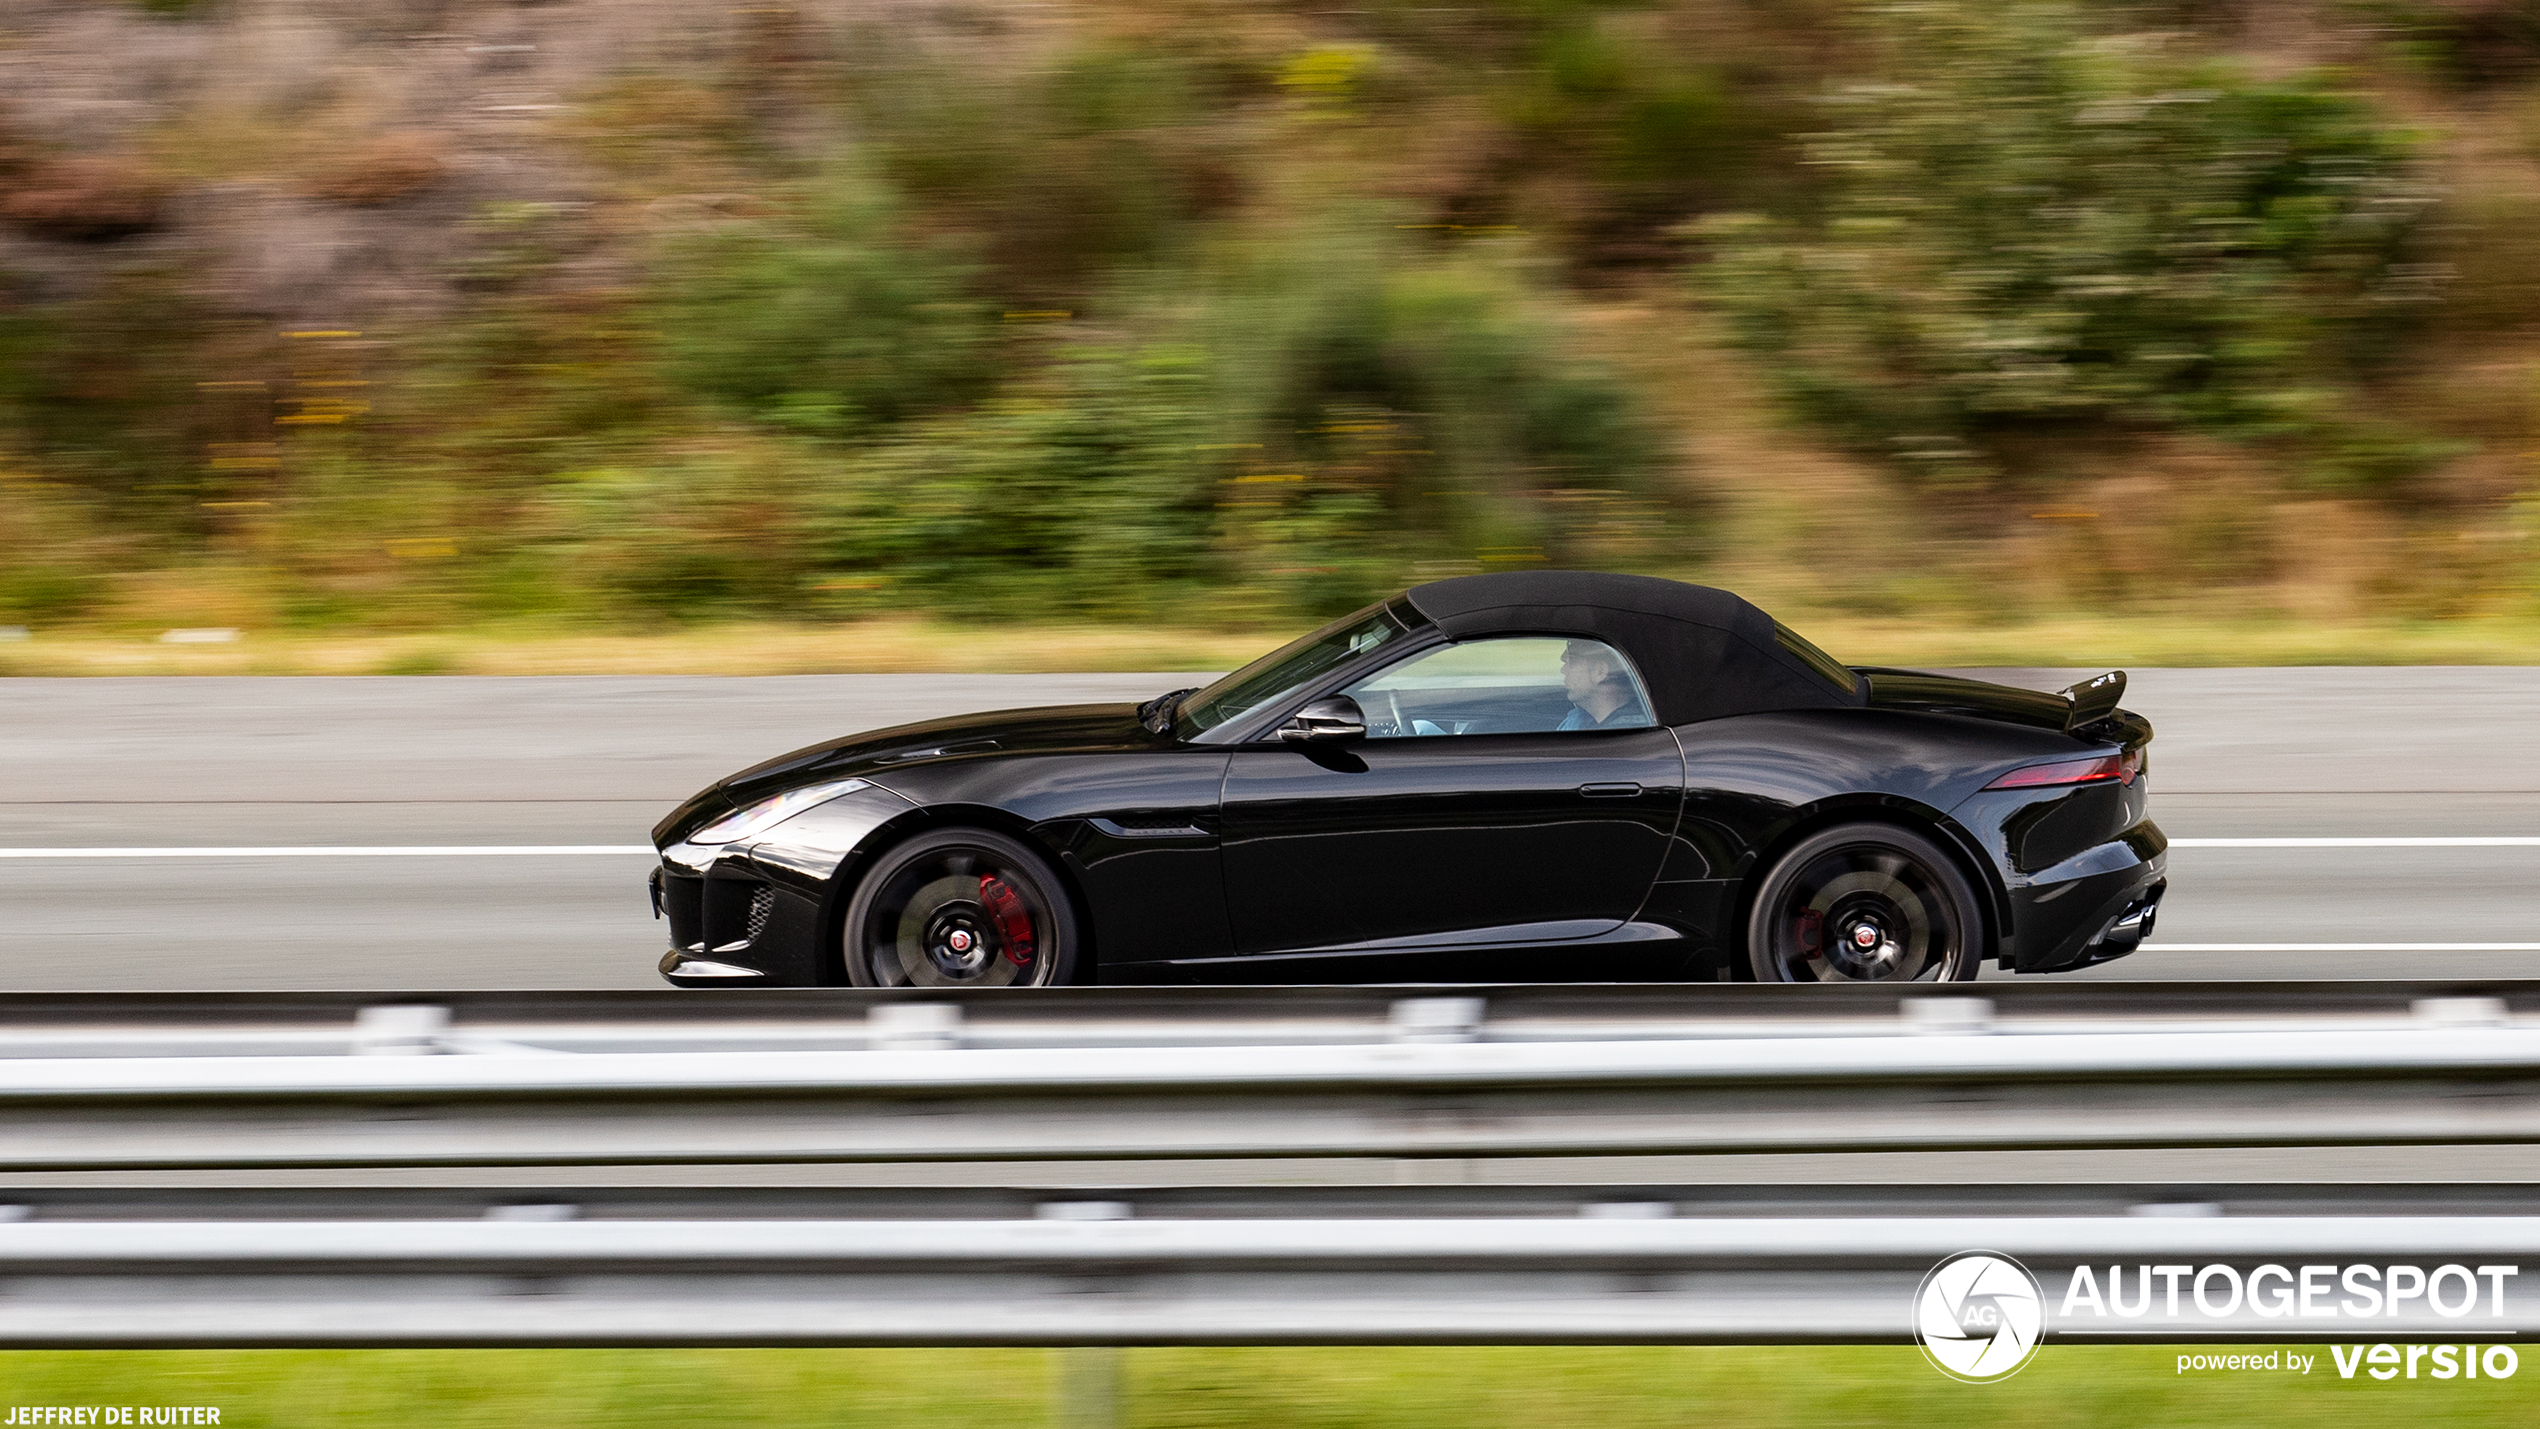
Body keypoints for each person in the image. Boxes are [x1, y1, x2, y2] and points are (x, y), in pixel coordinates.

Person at [1556, 640, 1649, 730]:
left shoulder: (1623, 736)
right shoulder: (1579, 720)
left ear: (1600, 672)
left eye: (1572, 660)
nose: (1563, 670)